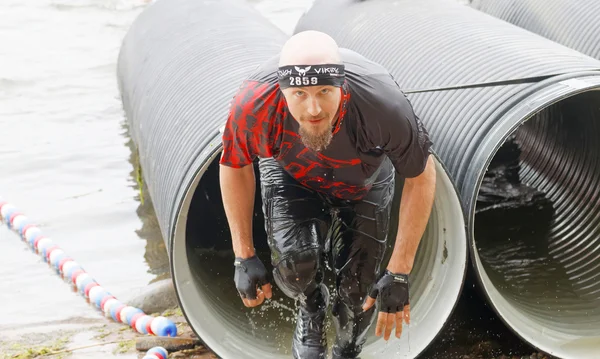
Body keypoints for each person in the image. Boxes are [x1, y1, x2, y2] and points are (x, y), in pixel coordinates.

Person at [219, 30, 436, 359]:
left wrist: (399, 272)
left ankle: (348, 343)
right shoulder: (254, 104)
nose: (314, 107)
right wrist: (243, 255)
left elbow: (421, 178)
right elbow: (234, 166)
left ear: (342, 84)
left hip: (365, 180)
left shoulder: (382, 104)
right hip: (292, 175)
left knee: (358, 285)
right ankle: (311, 308)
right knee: (296, 264)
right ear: (282, 91)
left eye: (324, 91)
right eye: (300, 94)